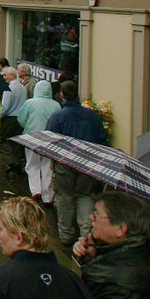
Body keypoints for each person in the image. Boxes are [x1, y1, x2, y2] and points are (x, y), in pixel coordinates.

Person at [46, 81, 107, 246]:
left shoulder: (58, 116)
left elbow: (49, 140)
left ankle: (66, 234)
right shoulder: (92, 116)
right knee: (84, 195)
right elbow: (102, 139)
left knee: (64, 197)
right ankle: (86, 233)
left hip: (64, 162)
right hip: (88, 162)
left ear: (62, 95)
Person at [16, 80, 61, 207]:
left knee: (32, 164)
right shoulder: (56, 105)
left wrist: (27, 127)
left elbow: (21, 119)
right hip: (50, 139)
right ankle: (48, 196)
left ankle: (35, 190)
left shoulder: (30, 103)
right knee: (47, 167)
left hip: (32, 137)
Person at [0, 66, 27, 174]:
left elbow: (5, 107)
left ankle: (13, 162)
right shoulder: (22, 87)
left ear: (11, 75)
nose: (4, 77)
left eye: (5, 75)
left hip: (9, 118)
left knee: (4, 141)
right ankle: (18, 161)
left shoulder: (8, 88)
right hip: (19, 118)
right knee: (16, 141)